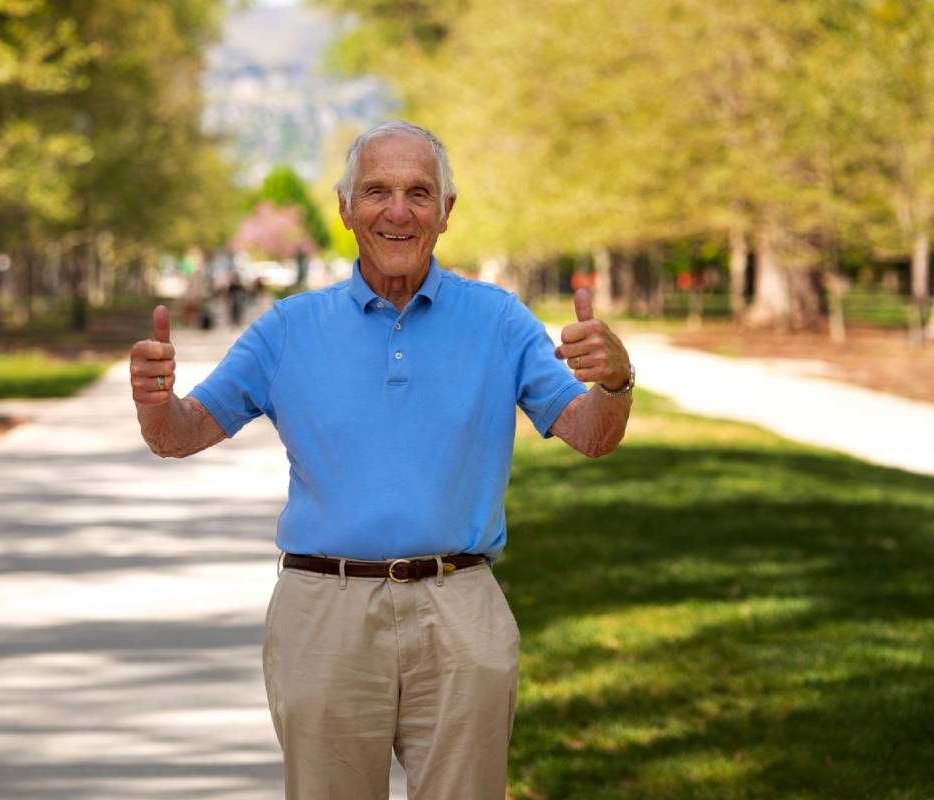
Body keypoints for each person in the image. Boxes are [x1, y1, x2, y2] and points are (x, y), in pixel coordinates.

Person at [129, 120, 633, 800]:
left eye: (419, 192)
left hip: (461, 607)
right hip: (323, 612)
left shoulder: (500, 320)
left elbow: (592, 434)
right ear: (345, 209)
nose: (398, 211)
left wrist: (616, 383)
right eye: (376, 192)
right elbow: (180, 433)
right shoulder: (287, 328)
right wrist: (155, 399)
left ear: (446, 212)